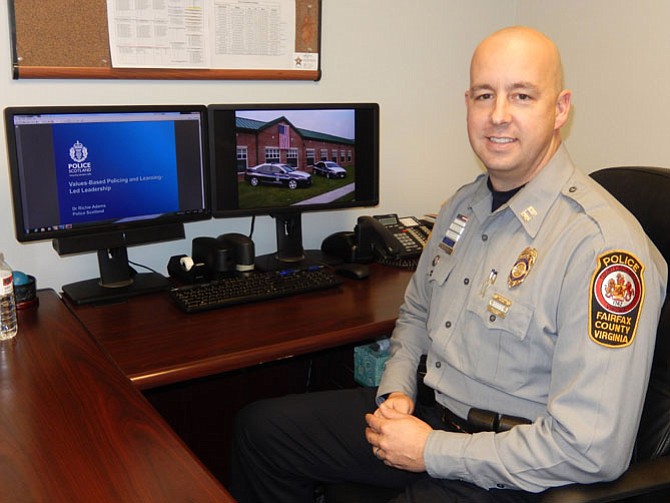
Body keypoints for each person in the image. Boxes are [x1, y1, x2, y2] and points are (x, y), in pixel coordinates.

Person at [230, 26, 668, 502]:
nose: (498, 116)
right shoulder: (465, 206)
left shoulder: (602, 249)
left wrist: (431, 452)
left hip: (515, 467)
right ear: (467, 103)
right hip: (430, 414)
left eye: (522, 95)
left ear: (560, 108)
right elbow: (418, 312)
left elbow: (591, 450)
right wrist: (396, 394)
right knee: (261, 432)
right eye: (484, 95)